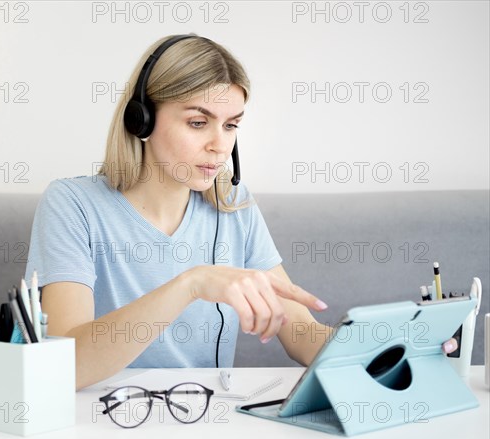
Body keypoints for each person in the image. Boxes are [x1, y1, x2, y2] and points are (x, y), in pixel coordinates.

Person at [24, 33, 457, 391]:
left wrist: (390, 348)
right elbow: (65, 366)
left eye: (231, 124)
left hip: (207, 421)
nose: (220, 144)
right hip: (104, 423)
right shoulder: (72, 204)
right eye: (198, 122)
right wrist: (192, 283)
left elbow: (301, 332)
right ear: (142, 120)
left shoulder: (233, 205)